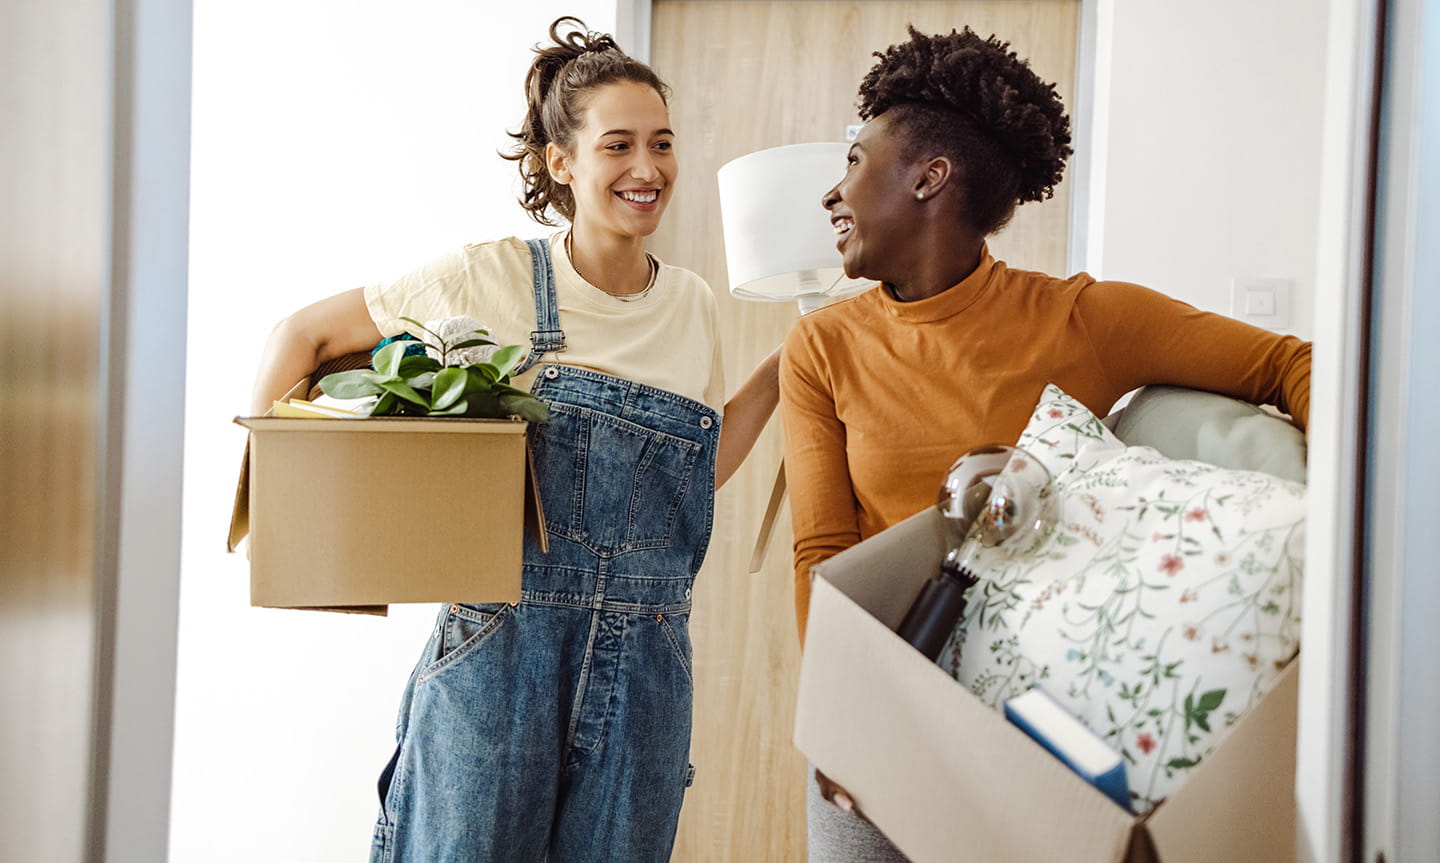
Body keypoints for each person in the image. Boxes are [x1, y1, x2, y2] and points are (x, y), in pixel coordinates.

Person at [249, 17, 778, 862]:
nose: (648, 169)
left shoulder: (693, 304)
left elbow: (690, 479)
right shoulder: (492, 276)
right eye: (618, 146)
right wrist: (295, 532)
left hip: (649, 669)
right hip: (503, 658)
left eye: (663, 144)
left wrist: (790, 367)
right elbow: (302, 334)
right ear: (561, 162)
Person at [779, 26, 1311, 861]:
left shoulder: (1081, 319)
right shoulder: (821, 347)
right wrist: (846, 720)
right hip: (885, 705)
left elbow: (1289, 364)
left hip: (1041, 723)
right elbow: (823, 549)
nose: (831, 193)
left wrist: (1363, 522)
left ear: (929, 176)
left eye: (853, 162)